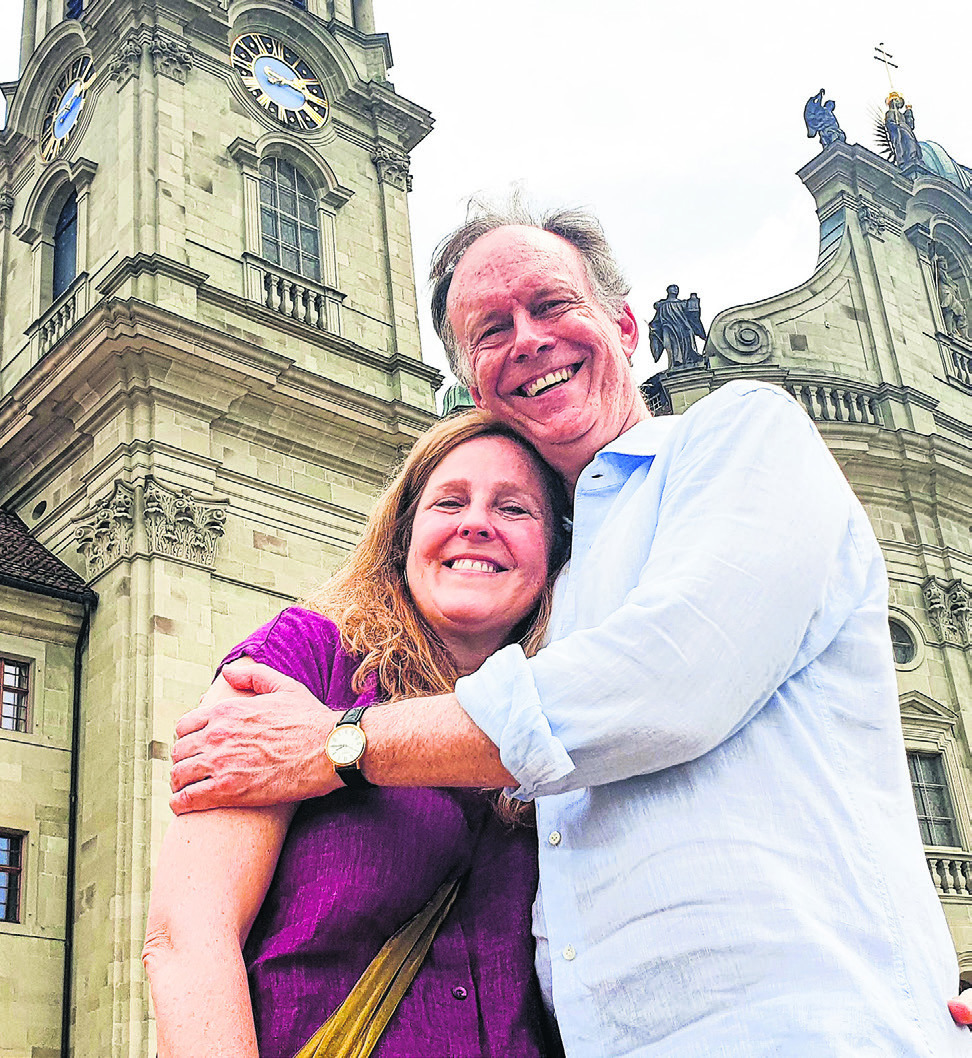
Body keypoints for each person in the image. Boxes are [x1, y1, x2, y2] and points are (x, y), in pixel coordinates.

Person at [170, 201, 969, 1056]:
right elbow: (182, 937)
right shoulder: (456, 640)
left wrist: (340, 744)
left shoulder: (737, 435)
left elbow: (668, 681)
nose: (528, 337)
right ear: (474, 389)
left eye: (552, 304)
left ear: (624, 325)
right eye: (491, 328)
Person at [144, 411, 570, 1057]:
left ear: (557, 551)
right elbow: (187, 937)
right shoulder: (300, 659)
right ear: (402, 538)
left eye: (514, 509)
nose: (476, 522)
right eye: (449, 501)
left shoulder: (578, 708)